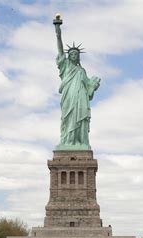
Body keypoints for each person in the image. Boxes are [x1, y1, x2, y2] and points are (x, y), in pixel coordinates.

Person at [54, 16, 100, 150]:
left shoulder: (81, 71)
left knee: (79, 118)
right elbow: (60, 49)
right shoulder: (66, 65)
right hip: (68, 96)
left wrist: (94, 84)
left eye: (76, 54)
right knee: (68, 118)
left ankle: (80, 141)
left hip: (80, 98)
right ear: (69, 56)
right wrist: (58, 31)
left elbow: (89, 87)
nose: (74, 55)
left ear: (78, 57)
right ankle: (67, 141)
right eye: (72, 54)